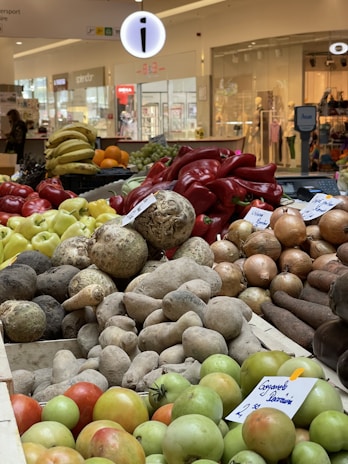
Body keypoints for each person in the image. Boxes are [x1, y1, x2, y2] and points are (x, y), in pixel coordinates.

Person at [249, 96, 263, 161]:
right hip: (254, 126)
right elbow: (253, 119)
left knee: (258, 142)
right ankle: (253, 155)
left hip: (258, 127)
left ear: (259, 101)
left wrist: (258, 126)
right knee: (251, 141)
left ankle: (258, 156)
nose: (255, 102)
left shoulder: (261, 109)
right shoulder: (256, 109)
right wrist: (251, 126)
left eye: (256, 100)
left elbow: (261, 119)